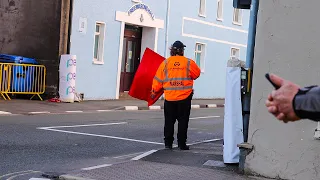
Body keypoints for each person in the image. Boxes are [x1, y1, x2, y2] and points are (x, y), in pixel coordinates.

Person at [151, 40, 201, 150]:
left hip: (169, 98)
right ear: (182, 51)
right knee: (183, 121)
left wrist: (153, 92)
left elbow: (158, 80)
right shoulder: (188, 62)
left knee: (169, 122)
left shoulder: (165, 63)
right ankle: (181, 144)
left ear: (171, 51)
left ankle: (168, 144)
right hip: (184, 98)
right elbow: (197, 74)